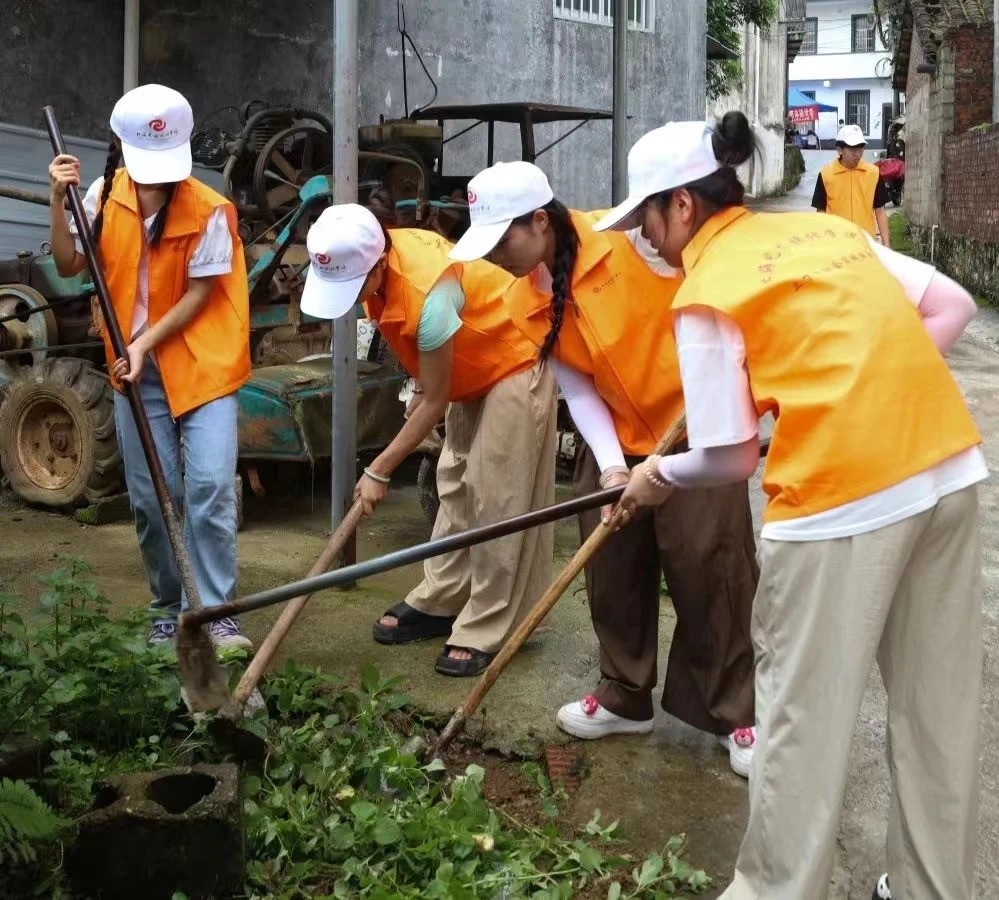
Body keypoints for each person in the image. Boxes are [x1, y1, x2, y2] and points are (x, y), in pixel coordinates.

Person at [600, 112, 985, 900]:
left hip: (837, 508)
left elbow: (729, 457)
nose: (644, 238)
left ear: (681, 204)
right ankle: (929, 888)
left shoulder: (706, 289)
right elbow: (951, 305)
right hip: (947, 470)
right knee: (936, 709)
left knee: (799, 721)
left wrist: (654, 475)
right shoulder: (824, 231)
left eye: (646, 218)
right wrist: (863, 393)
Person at [447, 161, 759, 778]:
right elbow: (579, 386)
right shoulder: (521, 297)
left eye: (503, 241)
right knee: (611, 566)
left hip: (694, 432)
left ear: (541, 221)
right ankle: (625, 694)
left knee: (710, 567)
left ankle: (735, 711)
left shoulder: (629, 241)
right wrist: (614, 469)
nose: (496, 258)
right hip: (615, 437)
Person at [299, 198, 556, 677]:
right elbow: (423, 364)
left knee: (498, 497)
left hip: (513, 358)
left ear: (378, 264)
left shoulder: (432, 294)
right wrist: (418, 383)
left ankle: (489, 622)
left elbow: (436, 401)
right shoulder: (378, 260)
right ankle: (443, 597)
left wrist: (379, 470)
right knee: (455, 483)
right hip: (468, 365)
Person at [47, 84, 252, 648]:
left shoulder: (209, 209)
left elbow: (201, 293)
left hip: (202, 362)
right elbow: (68, 263)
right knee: (151, 498)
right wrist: (57, 200)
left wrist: (143, 343)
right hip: (133, 370)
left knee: (210, 487)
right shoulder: (102, 195)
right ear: (122, 147)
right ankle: (169, 606)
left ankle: (215, 612)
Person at [813, 123, 891, 247]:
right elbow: (820, 212)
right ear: (840, 150)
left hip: (866, 243)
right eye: (853, 150)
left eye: (861, 148)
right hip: (836, 244)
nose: (858, 154)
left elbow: (880, 212)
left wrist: (886, 246)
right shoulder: (826, 174)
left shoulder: (874, 174)